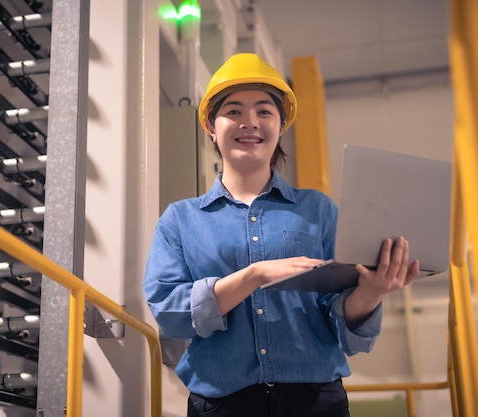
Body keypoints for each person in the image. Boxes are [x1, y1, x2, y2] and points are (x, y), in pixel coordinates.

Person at [143, 53, 420, 417]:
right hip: (222, 406)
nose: (250, 123)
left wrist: (371, 292)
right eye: (234, 111)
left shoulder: (317, 210)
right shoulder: (181, 219)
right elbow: (170, 312)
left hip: (315, 403)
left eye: (264, 111)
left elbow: (338, 318)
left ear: (281, 124)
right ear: (211, 126)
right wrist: (254, 275)